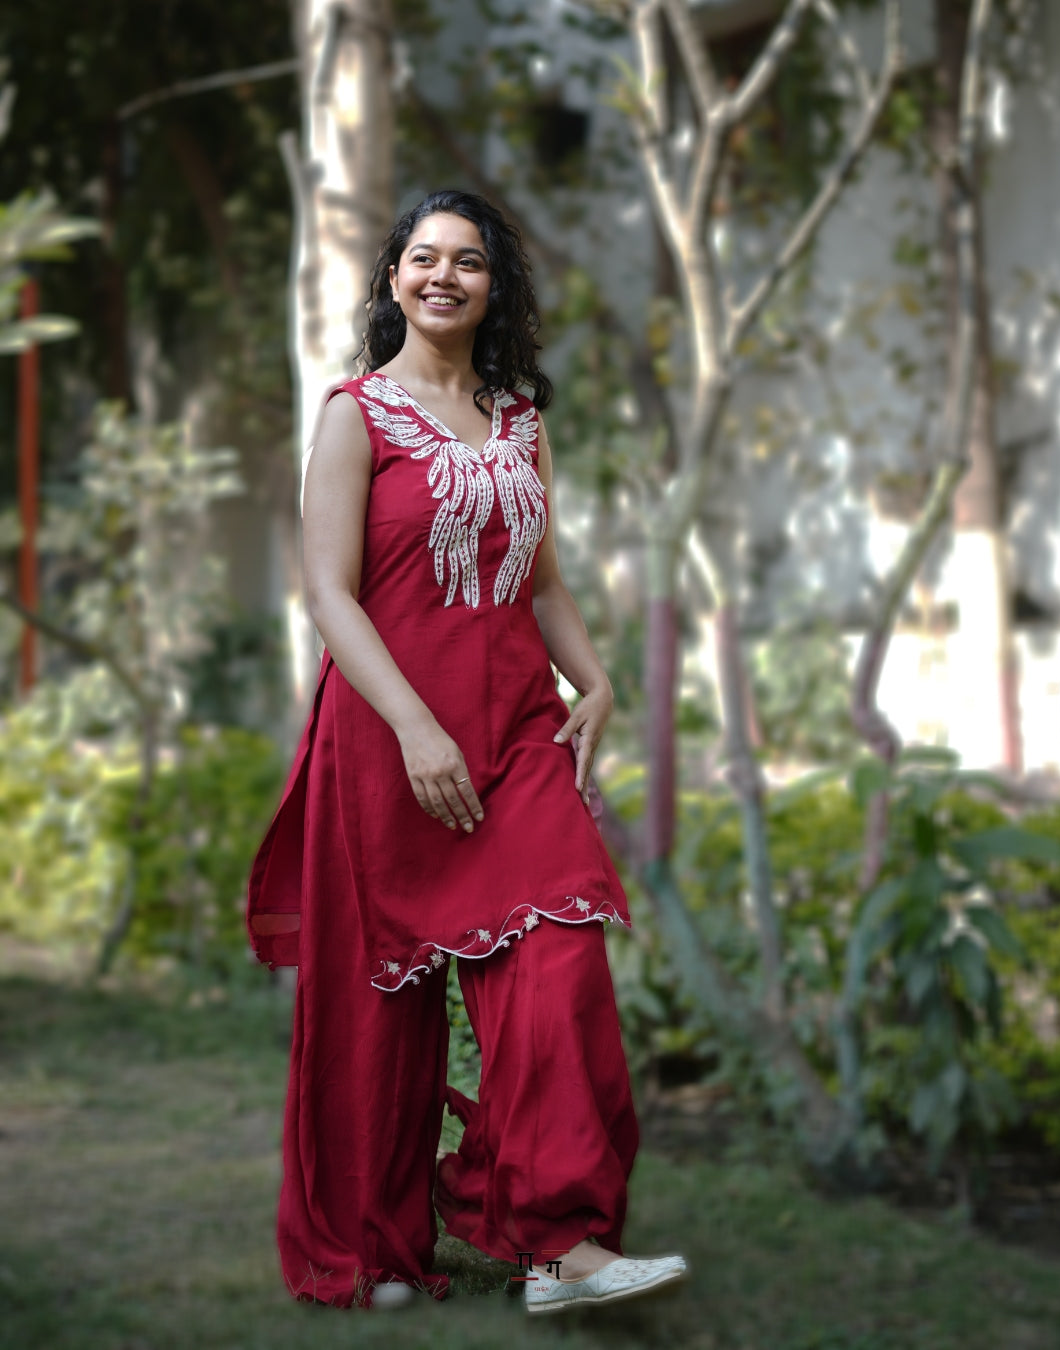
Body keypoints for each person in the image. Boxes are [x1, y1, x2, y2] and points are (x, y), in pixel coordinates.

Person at [247, 188, 688, 1314]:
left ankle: (562, 1244)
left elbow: (537, 576)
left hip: (515, 732)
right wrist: (412, 725)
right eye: (424, 257)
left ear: (496, 287)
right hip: (393, 733)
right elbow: (329, 595)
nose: (444, 275)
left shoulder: (523, 419)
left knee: (562, 963)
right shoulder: (357, 413)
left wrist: (591, 677)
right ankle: (373, 1249)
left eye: (470, 262)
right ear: (393, 275)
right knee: (382, 1001)